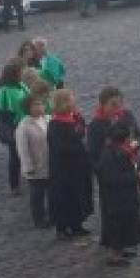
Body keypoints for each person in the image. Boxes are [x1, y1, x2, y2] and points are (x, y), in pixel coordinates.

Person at [96, 123, 140, 267]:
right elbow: (113, 178)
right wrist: (135, 175)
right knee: (117, 226)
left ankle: (120, 249)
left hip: (123, 197)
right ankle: (114, 256)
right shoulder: (110, 155)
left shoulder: (117, 150)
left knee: (124, 225)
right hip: (116, 200)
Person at [47, 89, 93, 239]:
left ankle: (77, 224)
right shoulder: (55, 124)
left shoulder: (76, 118)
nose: (74, 102)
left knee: (78, 195)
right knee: (64, 197)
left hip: (78, 166)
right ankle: (62, 228)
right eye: (71, 99)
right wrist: (78, 146)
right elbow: (59, 147)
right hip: (63, 168)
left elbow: (82, 131)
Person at [15, 89, 52, 228]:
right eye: (36, 105)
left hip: (49, 163)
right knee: (37, 195)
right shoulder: (23, 126)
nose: (40, 107)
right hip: (35, 167)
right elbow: (22, 150)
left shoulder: (47, 119)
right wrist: (28, 167)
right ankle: (39, 219)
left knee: (50, 192)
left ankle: (51, 214)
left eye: (41, 104)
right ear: (28, 108)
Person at [0, 60, 30, 195]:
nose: (23, 74)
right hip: (14, 127)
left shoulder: (20, 85)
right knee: (15, 155)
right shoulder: (5, 90)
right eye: (21, 72)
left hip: (25, 122)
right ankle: (14, 185)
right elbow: (4, 112)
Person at [86, 87, 140, 171]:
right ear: (102, 105)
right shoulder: (95, 126)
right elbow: (94, 157)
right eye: (113, 104)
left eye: (120, 103)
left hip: (132, 167)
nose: (118, 108)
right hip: (112, 174)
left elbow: (139, 137)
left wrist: (131, 147)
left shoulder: (127, 115)